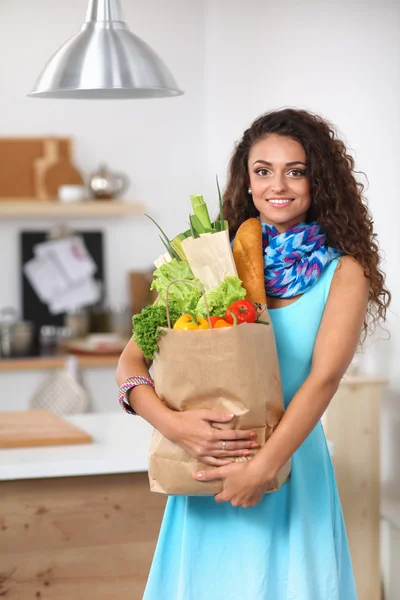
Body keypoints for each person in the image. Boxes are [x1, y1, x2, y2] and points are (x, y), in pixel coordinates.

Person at [116, 108, 391, 600]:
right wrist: (172, 425)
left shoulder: (343, 272)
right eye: (263, 170)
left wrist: (260, 470)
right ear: (247, 181)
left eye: (296, 170)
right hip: (204, 470)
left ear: (318, 181)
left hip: (287, 472)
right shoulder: (206, 260)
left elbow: (323, 379)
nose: (277, 185)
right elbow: (131, 362)